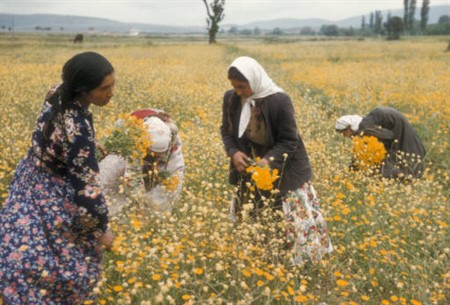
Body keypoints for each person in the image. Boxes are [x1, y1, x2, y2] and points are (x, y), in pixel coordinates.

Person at [0, 52, 115, 304]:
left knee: (19, 251)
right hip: (53, 192)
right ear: (83, 90)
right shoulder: (79, 129)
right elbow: (87, 191)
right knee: (64, 268)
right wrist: (100, 231)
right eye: (105, 88)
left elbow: (57, 129)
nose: (111, 93)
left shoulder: (58, 91)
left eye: (113, 85)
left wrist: (90, 147)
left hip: (29, 177)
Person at [220, 56, 333, 265]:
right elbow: (226, 132)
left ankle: (298, 263)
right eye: (234, 86)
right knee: (252, 216)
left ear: (254, 81)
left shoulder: (279, 100)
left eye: (242, 87)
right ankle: (258, 259)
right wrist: (234, 152)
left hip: (285, 169)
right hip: (249, 170)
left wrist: (269, 161)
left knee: (287, 219)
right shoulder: (231, 98)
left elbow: (289, 140)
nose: (238, 91)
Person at [98, 108, 184, 216]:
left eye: (159, 156)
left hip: (164, 152)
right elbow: (133, 174)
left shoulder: (172, 133)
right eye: (152, 154)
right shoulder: (132, 136)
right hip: (130, 149)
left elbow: (174, 166)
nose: (155, 159)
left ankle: (156, 218)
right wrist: (138, 202)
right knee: (114, 174)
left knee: (171, 184)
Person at [335, 106, 426, 179]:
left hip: (401, 134)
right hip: (401, 130)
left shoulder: (366, 129)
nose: (344, 135)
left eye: (344, 132)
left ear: (351, 127)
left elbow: (389, 136)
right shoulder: (365, 124)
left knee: (403, 165)